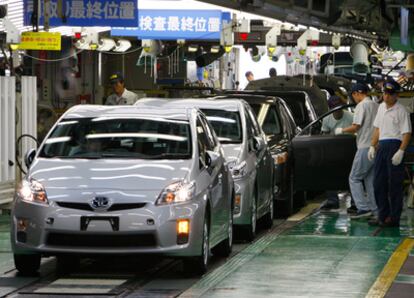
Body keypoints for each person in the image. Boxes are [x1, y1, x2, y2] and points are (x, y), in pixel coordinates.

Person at [368, 80, 412, 227]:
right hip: (382, 146)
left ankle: (393, 218)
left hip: (395, 146)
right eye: (385, 93)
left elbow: (407, 133)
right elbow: (377, 129)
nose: (386, 96)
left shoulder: (401, 111)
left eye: (390, 94)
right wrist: (372, 146)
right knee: (378, 183)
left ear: (396, 95)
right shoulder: (381, 108)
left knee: (394, 185)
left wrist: (401, 150)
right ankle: (382, 215)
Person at [335, 83, 378, 219]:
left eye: (353, 96)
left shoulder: (361, 106)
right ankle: (374, 208)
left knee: (354, 178)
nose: (353, 99)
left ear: (356, 93)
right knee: (369, 180)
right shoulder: (375, 105)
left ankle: (363, 208)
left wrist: (341, 130)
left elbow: (356, 126)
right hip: (375, 147)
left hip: (365, 147)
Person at [320, 96, 354, 210]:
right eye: (335, 108)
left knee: (352, 176)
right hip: (333, 149)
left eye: (339, 108)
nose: (338, 110)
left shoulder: (351, 117)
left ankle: (355, 202)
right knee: (329, 173)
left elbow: (357, 130)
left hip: (349, 148)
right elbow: (324, 136)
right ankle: (332, 201)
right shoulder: (327, 119)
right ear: (330, 109)